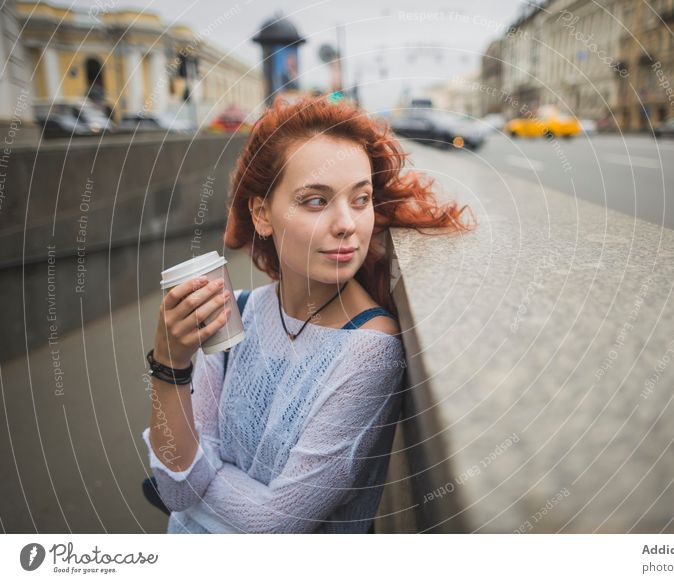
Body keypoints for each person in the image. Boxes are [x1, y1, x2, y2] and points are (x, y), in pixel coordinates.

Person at [142, 96, 475, 533]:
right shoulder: (236, 310)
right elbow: (176, 492)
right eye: (316, 201)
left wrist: (205, 474)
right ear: (262, 214)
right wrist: (170, 364)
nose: (347, 224)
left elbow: (271, 525)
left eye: (361, 199)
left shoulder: (370, 351)